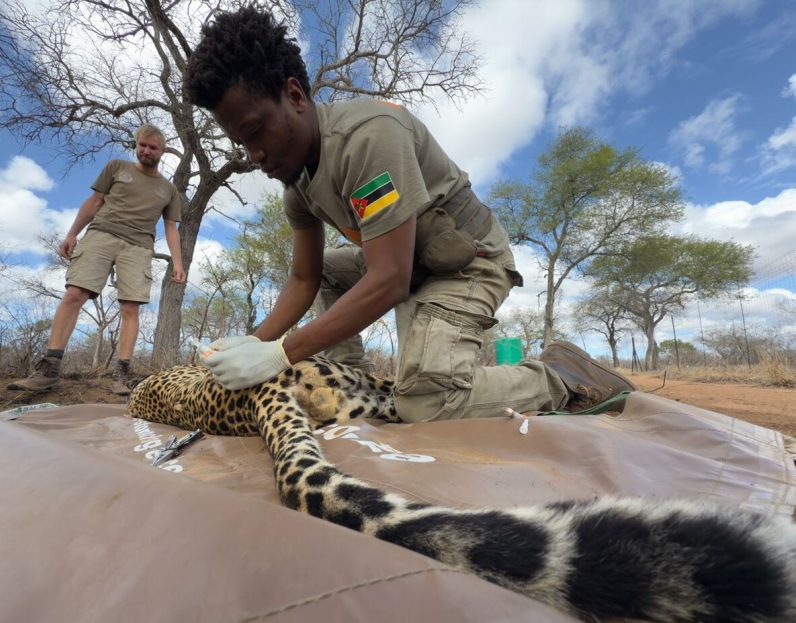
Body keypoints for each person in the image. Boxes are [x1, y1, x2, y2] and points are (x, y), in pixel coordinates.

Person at [183, 8, 634, 421]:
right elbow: (304, 278)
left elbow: (389, 280)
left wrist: (282, 353)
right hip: (411, 262)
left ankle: (561, 376)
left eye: (256, 132)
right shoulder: (297, 186)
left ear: (295, 94)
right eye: (241, 144)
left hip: (469, 263)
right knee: (330, 270)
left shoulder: (368, 137)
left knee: (427, 403)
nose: (254, 155)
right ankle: (349, 376)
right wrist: (253, 342)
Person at [9, 123, 186, 395]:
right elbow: (94, 202)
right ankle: (49, 369)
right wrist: (71, 234)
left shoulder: (168, 189)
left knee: (131, 308)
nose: (147, 151)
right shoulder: (117, 167)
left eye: (153, 147)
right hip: (101, 234)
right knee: (74, 294)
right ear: (136, 145)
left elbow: (171, 227)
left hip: (138, 247)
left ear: (162, 151)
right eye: (143, 145)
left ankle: (122, 374)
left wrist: (177, 263)